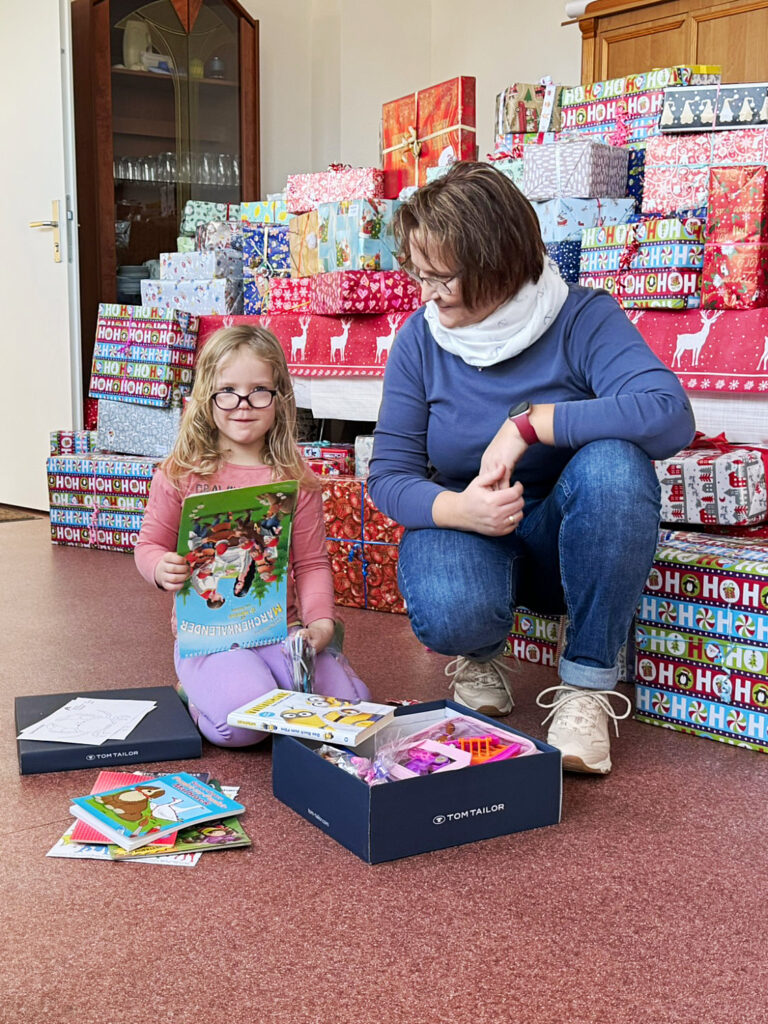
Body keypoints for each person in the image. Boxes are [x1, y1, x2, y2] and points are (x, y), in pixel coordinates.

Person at [367, 162, 696, 775]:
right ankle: (481, 652)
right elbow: (388, 477)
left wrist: (532, 423)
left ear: (497, 263)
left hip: (570, 543)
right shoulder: (419, 339)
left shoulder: (582, 317)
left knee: (617, 464)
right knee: (449, 604)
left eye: (441, 277)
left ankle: (587, 687)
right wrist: (461, 509)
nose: (426, 294)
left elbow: (668, 416)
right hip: (472, 532)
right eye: (419, 274)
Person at [135, 324, 370, 747]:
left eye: (259, 390)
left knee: (352, 713)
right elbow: (148, 544)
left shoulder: (295, 478)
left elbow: (312, 562)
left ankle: (295, 675)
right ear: (207, 395)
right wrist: (158, 566)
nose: (243, 405)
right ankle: (195, 692)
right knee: (241, 726)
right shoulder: (181, 474)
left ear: (280, 398)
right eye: (228, 391)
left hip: (281, 630)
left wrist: (318, 626)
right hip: (210, 640)